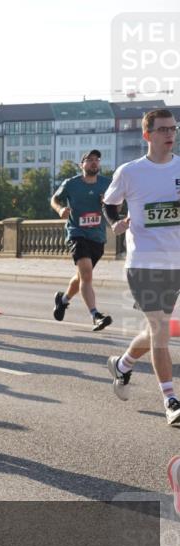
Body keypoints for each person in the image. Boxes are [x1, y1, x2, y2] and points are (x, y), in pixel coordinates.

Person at [103, 109, 180, 426]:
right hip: (143, 263)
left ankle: (122, 364)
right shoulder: (130, 172)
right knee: (160, 329)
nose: (169, 134)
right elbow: (109, 203)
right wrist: (115, 224)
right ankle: (171, 400)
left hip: (175, 263)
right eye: (162, 129)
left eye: (173, 128)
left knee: (154, 330)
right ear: (147, 135)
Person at [50, 150, 113, 331]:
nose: (94, 162)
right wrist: (60, 209)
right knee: (86, 274)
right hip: (77, 233)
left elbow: (117, 206)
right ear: (81, 165)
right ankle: (95, 315)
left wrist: (108, 203)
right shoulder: (71, 183)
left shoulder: (107, 184)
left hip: (97, 236)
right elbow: (54, 199)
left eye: (96, 160)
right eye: (89, 160)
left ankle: (63, 300)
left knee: (82, 277)